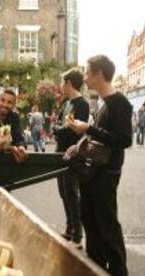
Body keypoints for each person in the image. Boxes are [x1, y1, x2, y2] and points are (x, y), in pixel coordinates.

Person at [66, 55, 131, 276]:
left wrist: (88, 129)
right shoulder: (103, 102)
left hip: (106, 172)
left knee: (106, 222)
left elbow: (124, 140)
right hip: (92, 171)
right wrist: (84, 131)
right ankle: (95, 267)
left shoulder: (120, 102)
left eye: (86, 72)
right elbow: (102, 136)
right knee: (90, 219)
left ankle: (119, 271)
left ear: (99, 74)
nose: (84, 77)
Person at [53, 68, 89, 247]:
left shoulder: (82, 104)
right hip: (60, 153)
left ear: (68, 83)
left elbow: (72, 128)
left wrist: (58, 130)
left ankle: (77, 234)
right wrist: (59, 129)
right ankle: (69, 228)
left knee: (71, 193)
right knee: (63, 192)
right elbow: (60, 124)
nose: (61, 86)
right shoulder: (66, 103)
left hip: (72, 155)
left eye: (62, 82)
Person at [0, 89, 27, 163]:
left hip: (8, 162)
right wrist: (10, 148)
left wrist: (21, 147)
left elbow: (19, 139)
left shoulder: (14, 117)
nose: (5, 105)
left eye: (9, 102)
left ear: (13, 106)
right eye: (2, 100)